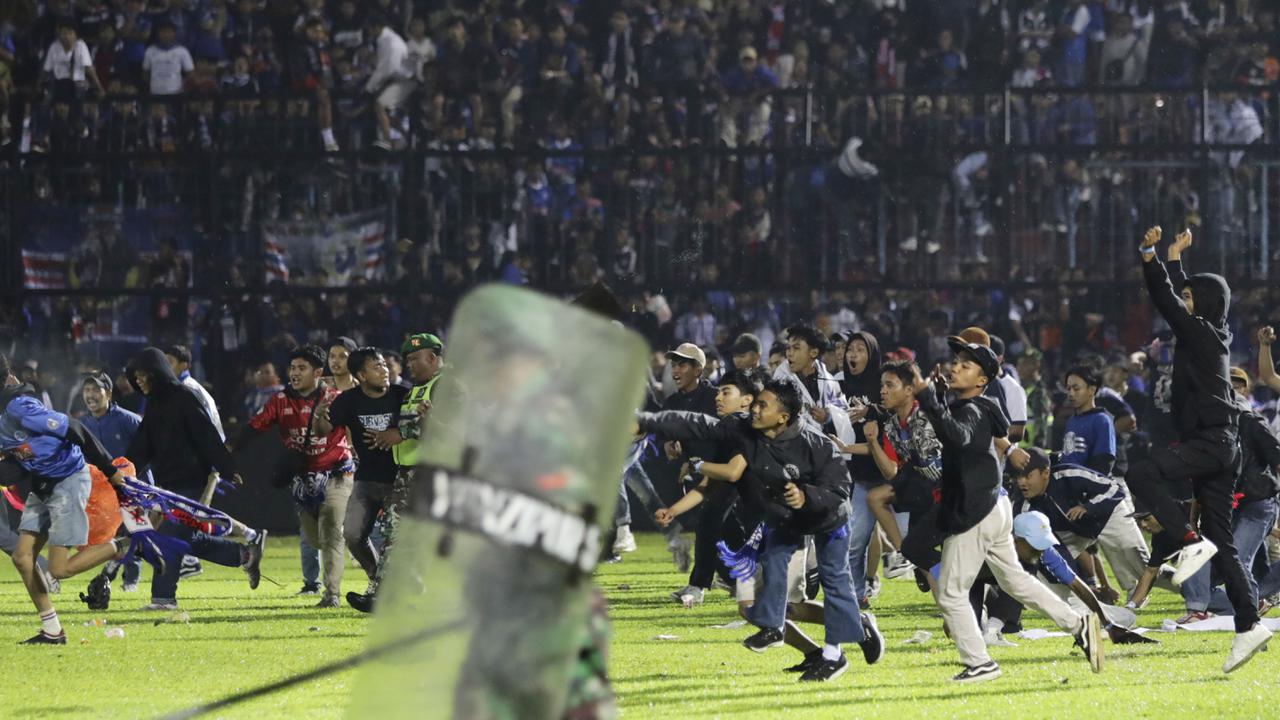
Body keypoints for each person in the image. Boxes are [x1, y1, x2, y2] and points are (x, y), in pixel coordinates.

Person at [638, 378, 884, 682]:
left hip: (819, 520)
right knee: (763, 593)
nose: (719, 399)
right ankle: (793, 637)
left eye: (760, 404)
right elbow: (696, 426)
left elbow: (838, 489)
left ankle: (837, 648)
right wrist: (647, 421)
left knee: (816, 589)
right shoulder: (742, 429)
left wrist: (806, 496)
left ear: (781, 416)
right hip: (777, 522)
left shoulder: (809, 442)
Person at [913, 337, 1100, 683]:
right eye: (956, 361)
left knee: (951, 593)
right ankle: (1079, 624)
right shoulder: (978, 406)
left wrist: (928, 398)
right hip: (994, 505)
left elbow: (956, 436)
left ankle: (980, 663)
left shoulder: (971, 409)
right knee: (1015, 581)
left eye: (966, 364)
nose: (955, 366)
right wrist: (937, 396)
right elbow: (959, 432)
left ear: (982, 380)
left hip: (975, 510)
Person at [1130, 226, 1269, 673]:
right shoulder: (1211, 332)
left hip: (1209, 442)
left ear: (1204, 304)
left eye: (1191, 297)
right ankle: (1249, 625)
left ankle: (1188, 542)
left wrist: (1150, 255)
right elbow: (1181, 298)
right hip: (1219, 444)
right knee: (1222, 541)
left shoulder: (1202, 334)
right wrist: (1175, 258)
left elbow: (1167, 300)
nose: (1184, 302)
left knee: (1141, 473)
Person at [123, 348, 265, 611]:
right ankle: (245, 555)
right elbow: (142, 446)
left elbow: (206, 434)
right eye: (136, 376)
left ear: (156, 372)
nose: (139, 381)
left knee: (169, 537)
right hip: (169, 486)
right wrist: (124, 470)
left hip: (191, 483)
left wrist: (227, 467)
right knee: (188, 539)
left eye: (143, 375)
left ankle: (163, 599)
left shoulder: (184, 397)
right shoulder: (154, 404)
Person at [3, 393, 127, 644]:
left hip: (67, 481)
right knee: (22, 557)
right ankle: (52, 631)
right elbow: (12, 469)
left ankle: (125, 545)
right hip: (43, 485)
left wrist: (109, 469)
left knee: (59, 569)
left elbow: (73, 427)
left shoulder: (19, 408)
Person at [347, 333, 452, 612]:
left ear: (432, 357)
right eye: (408, 360)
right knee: (398, 533)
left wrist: (402, 433)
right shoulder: (417, 388)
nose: (409, 365)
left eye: (415, 359)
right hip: (409, 472)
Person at [247, 345, 353, 608]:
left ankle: (331, 594)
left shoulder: (336, 398)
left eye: (301, 368)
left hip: (338, 471)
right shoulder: (281, 400)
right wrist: (227, 452)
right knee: (315, 539)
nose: (294, 373)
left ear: (317, 372)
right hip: (304, 478)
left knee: (331, 531)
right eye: (292, 368)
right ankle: (351, 542)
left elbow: (354, 428)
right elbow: (254, 427)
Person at [312, 347, 408, 589]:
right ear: (362, 376)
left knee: (396, 539)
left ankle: (394, 586)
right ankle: (379, 581)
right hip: (367, 479)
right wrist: (318, 416)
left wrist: (398, 433)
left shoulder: (402, 395)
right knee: (353, 535)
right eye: (377, 367)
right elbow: (322, 431)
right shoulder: (348, 400)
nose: (384, 370)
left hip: (400, 480)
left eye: (384, 365)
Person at [1013, 448, 1149, 595]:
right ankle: (1077, 604)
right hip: (1072, 530)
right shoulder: (1024, 506)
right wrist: (1081, 585)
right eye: (1019, 476)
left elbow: (1114, 488)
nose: (1022, 482)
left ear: (1045, 473)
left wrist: (1089, 507)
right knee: (1044, 562)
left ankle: (1164, 582)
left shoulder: (1067, 474)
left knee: (1144, 566)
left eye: (1028, 476)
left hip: (1108, 515)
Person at [857, 360, 943, 582]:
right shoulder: (892, 425)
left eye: (890, 385)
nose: (883, 391)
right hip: (926, 495)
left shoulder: (929, 414)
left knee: (937, 557)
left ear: (909, 390)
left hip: (953, 497)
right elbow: (891, 473)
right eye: (882, 386)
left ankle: (966, 587)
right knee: (924, 561)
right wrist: (872, 441)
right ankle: (907, 555)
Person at [659, 342, 724, 606]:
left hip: (723, 472)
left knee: (712, 526)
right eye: (674, 364)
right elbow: (667, 437)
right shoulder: (673, 402)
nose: (676, 370)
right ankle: (727, 578)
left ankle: (700, 584)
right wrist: (670, 445)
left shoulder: (715, 397)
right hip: (696, 473)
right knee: (712, 528)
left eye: (682, 364)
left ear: (698, 369)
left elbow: (721, 436)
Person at [79, 371, 149, 603]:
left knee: (137, 532)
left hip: (132, 491)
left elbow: (149, 450)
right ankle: (115, 569)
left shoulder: (128, 420)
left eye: (95, 390)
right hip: (103, 494)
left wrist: (142, 484)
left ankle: (132, 579)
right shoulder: (83, 424)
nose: (90, 395)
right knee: (114, 536)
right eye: (87, 390)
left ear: (108, 393)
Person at [364, 14, 414, 151]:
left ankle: (387, 141)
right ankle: (406, 135)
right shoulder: (385, 39)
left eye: (370, 28)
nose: (369, 31)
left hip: (405, 81)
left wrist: (369, 88)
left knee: (379, 105)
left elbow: (387, 68)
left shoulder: (391, 41)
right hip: (394, 80)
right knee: (380, 108)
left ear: (376, 27)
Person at [1060, 365, 1117, 475]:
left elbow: (1104, 462)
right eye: (1068, 388)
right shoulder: (1071, 420)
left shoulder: (1101, 420)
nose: (1071, 394)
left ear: (1092, 390)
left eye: (1076, 388)